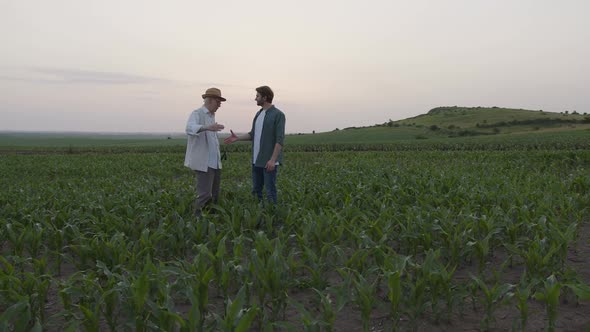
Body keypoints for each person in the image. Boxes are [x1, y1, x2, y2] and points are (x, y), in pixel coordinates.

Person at [224, 86, 285, 204]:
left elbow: (280, 139)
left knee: (270, 191)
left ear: (265, 97)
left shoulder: (278, 115)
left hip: (269, 161)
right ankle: (257, 215)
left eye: (257, 96)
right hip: (256, 160)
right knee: (256, 191)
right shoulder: (258, 114)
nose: (255, 98)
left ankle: (272, 217)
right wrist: (237, 138)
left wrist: (273, 160)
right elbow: (253, 134)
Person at [184, 87, 226, 217]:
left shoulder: (212, 116)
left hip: (215, 162)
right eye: (218, 102)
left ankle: (209, 216)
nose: (219, 105)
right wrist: (208, 127)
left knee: (214, 193)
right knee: (204, 194)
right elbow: (189, 128)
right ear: (211, 100)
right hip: (204, 162)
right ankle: (195, 218)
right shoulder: (197, 113)